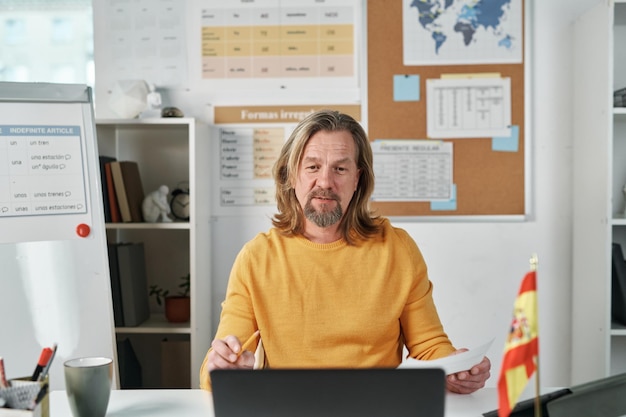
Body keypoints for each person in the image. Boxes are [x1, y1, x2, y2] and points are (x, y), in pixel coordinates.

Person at [200, 109, 491, 394]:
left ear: (357, 179)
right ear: (291, 175)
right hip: (290, 408)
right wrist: (223, 367)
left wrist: (456, 369)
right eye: (312, 167)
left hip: (378, 408)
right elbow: (219, 366)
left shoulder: (397, 249)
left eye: (340, 169)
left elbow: (429, 346)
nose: (325, 182)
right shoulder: (256, 258)